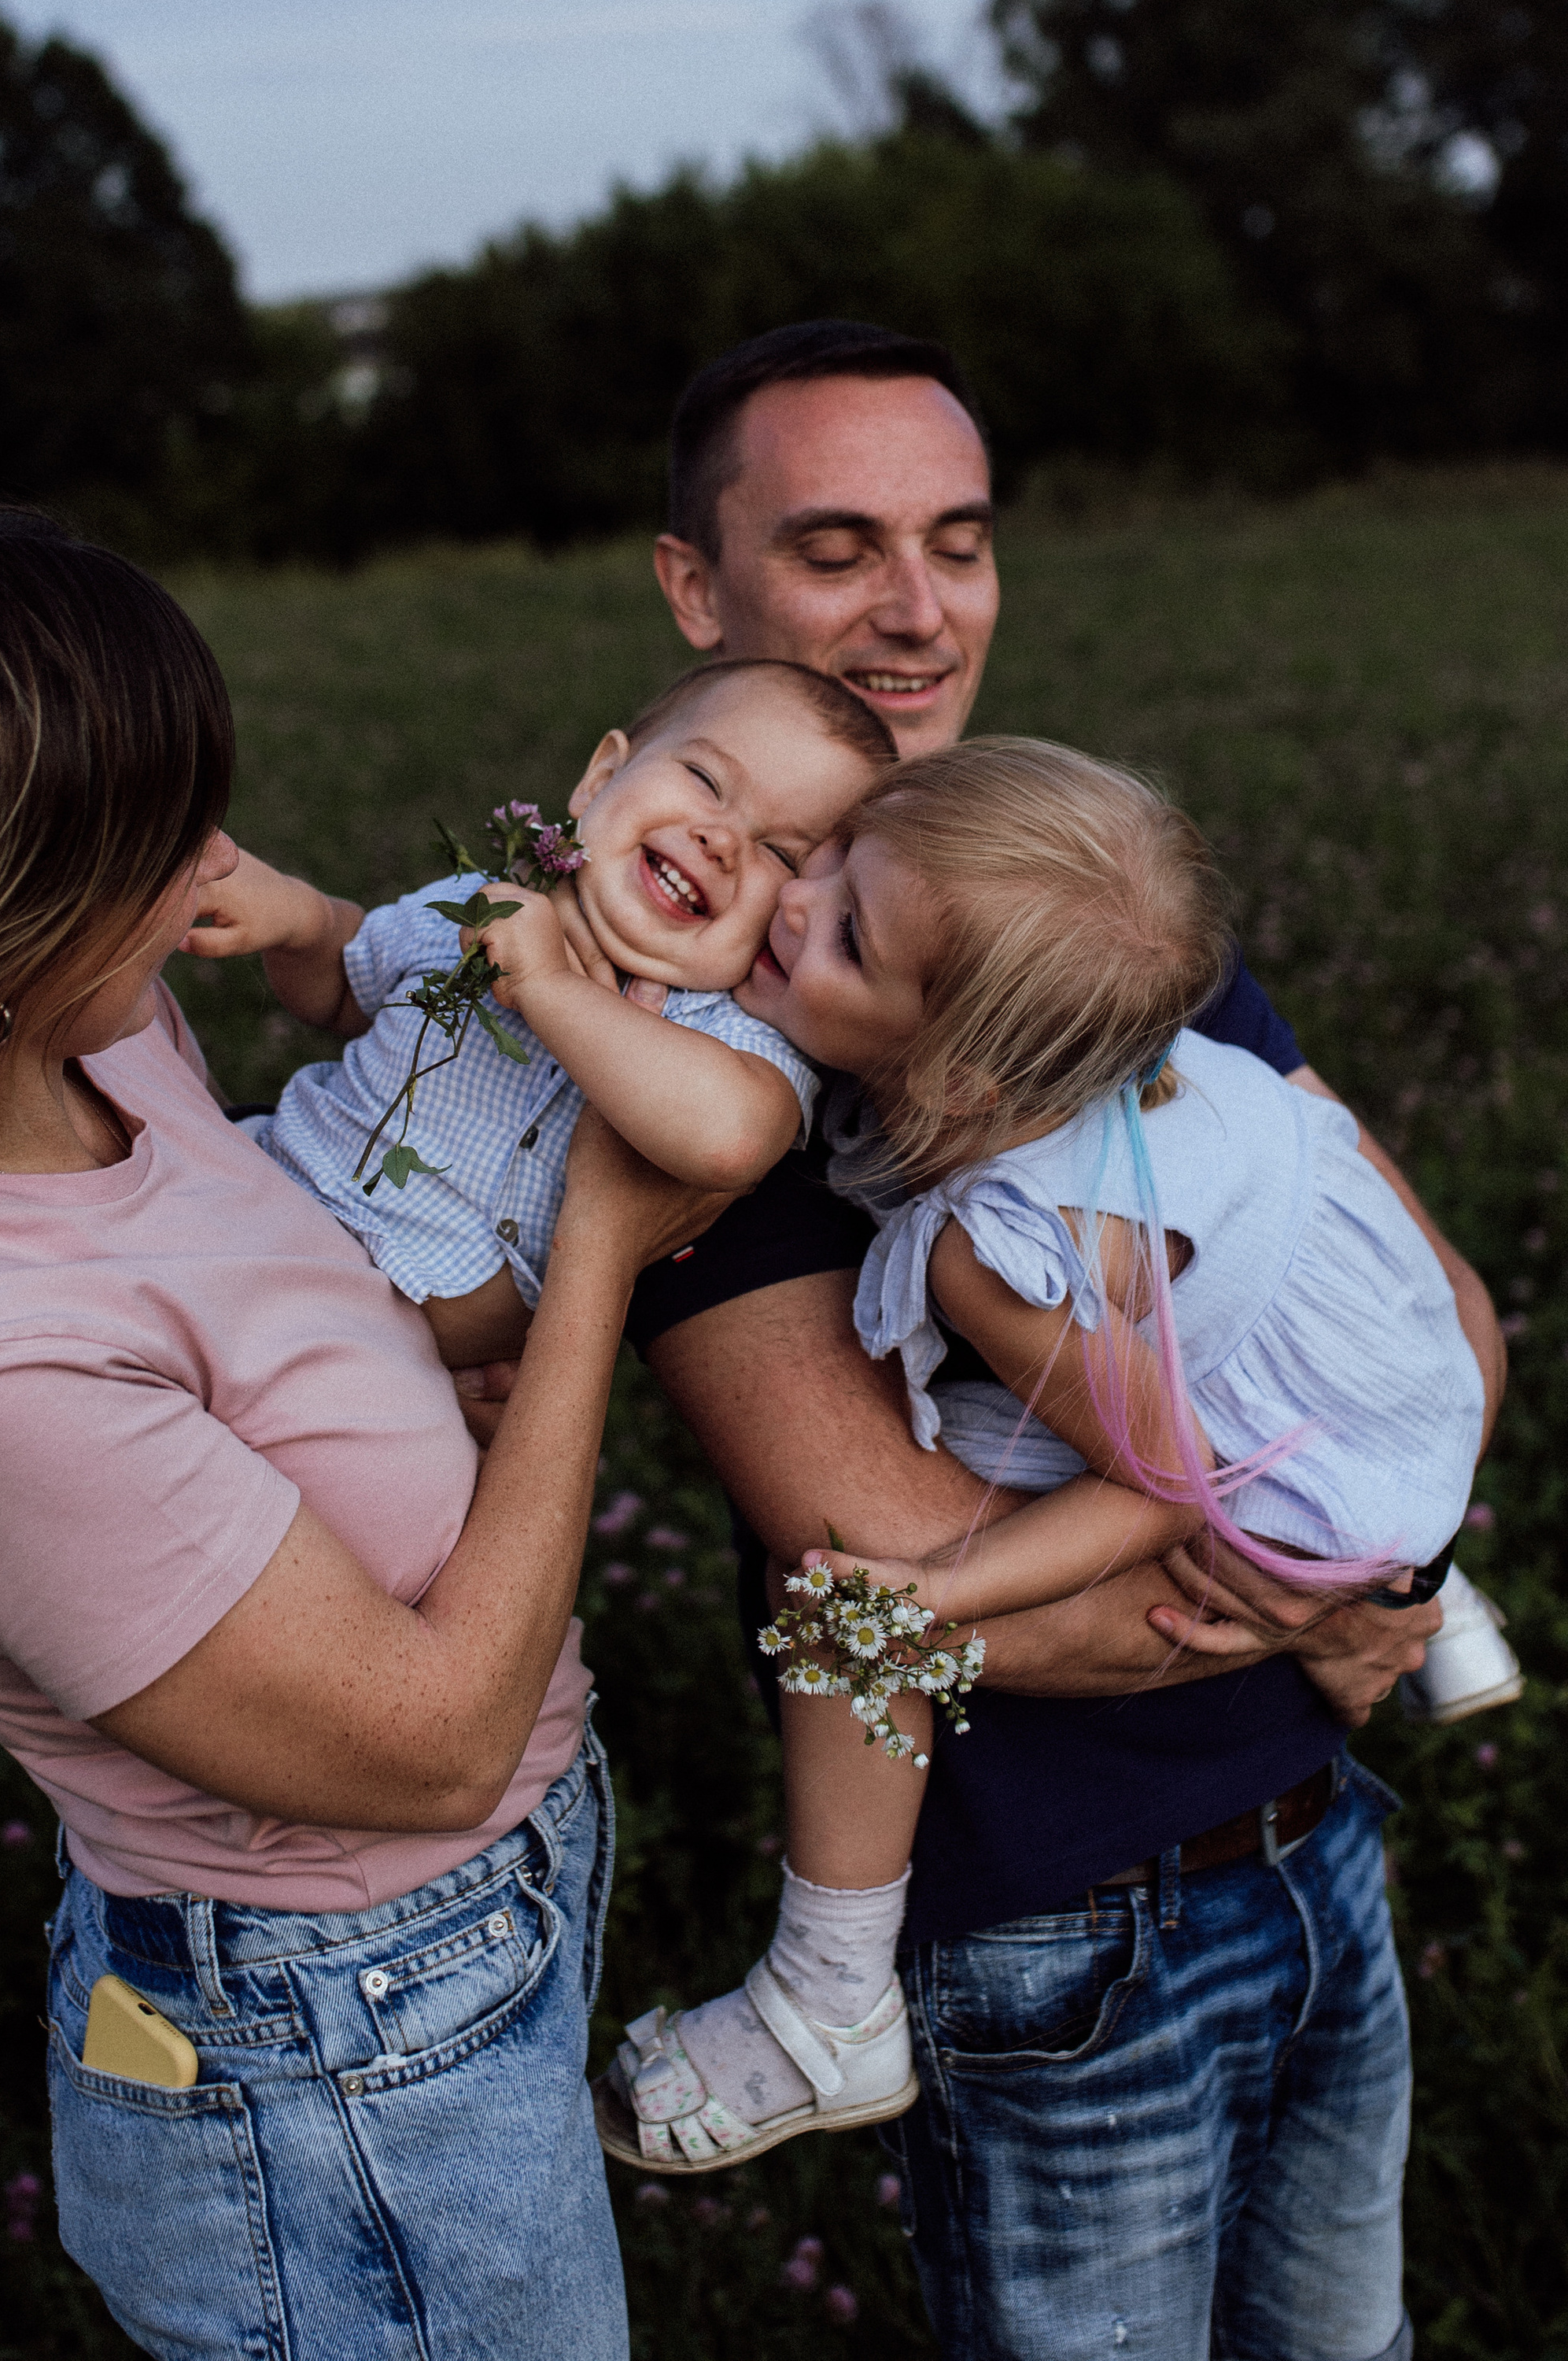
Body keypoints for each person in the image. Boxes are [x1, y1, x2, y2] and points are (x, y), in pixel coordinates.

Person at [453, 322, 1505, 2361]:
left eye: (960, 540)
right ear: (698, 586)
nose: (919, 609)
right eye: (839, 546)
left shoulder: (1048, 902)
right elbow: (908, 1577)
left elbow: (1429, 1307)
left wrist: (1397, 1560)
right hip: (1056, 1919)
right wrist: (1351, 1597)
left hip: (1315, 1853)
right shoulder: (703, 1044)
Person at [0, 506, 729, 2361]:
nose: (218, 860)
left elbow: (252, 1277)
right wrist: (597, 1255)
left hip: (429, 1960)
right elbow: (440, 1742)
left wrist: (398, 1371)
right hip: (340, 2033)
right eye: (160, 839)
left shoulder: (65, 1038)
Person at [597, 741, 1489, 2177]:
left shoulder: (994, 1260)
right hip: (1356, 1339)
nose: (791, 898)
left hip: (1295, 1432)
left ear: (952, 1072)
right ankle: (1413, 1550)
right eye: (827, 856)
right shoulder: (1077, 994)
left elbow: (1162, 1479)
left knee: (850, 1592)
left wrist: (938, 1598)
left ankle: (832, 1992)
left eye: (846, 931)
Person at [206, 661, 890, 1376]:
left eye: (781, 852)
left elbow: (732, 1138)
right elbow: (344, 991)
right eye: (707, 781)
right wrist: (302, 922)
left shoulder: (729, 1033)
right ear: (601, 779)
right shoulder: (488, 897)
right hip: (257, 1197)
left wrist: (548, 985)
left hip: (381, 1358)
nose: (721, 839)